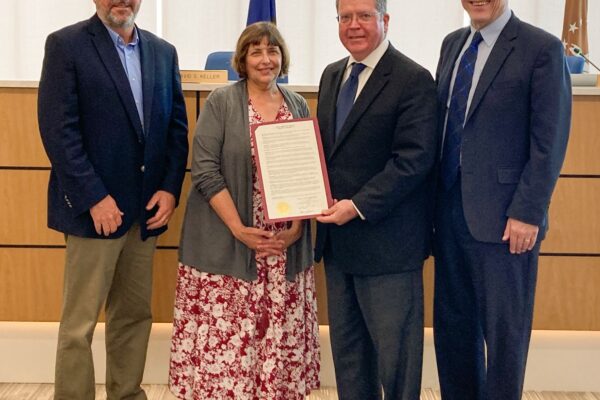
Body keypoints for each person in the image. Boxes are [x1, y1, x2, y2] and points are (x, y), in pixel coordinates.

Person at [37, 0, 189, 398]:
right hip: (94, 214)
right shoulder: (66, 45)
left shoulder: (162, 51)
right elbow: (59, 131)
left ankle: (126, 395)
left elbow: (175, 128)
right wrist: (94, 198)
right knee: (79, 325)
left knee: (134, 317)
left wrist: (170, 188)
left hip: (145, 214)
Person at [169, 22, 320, 400]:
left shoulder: (296, 103)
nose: (266, 59)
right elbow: (204, 170)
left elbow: (305, 170)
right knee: (229, 356)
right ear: (242, 59)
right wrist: (239, 229)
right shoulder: (222, 103)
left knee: (276, 346)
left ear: (282, 58)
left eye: (273, 51)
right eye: (256, 51)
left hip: (280, 248)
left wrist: (298, 228)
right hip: (230, 244)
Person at [433, 1, 571, 399]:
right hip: (449, 213)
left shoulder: (540, 48)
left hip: (508, 220)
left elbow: (550, 141)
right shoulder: (452, 44)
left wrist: (528, 212)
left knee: (505, 339)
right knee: (454, 333)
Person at [314, 0, 438, 398]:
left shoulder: (413, 79)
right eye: (345, 17)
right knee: (350, 359)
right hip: (338, 246)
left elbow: (414, 160)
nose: (354, 25)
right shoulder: (333, 75)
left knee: (396, 363)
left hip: (387, 246)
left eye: (364, 16)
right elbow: (324, 154)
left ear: (384, 21)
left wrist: (358, 205)